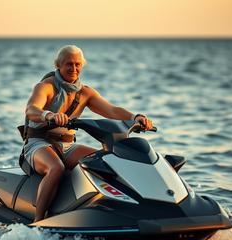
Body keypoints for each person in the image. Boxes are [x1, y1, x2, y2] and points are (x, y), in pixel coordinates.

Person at [23, 45, 153, 222]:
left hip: (67, 146)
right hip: (38, 143)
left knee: (106, 161)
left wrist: (135, 117)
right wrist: (49, 115)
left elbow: (112, 111)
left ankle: (112, 211)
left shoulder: (85, 93)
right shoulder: (46, 87)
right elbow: (31, 109)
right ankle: (38, 221)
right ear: (58, 65)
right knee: (56, 168)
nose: (74, 69)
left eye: (77, 64)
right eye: (69, 64)